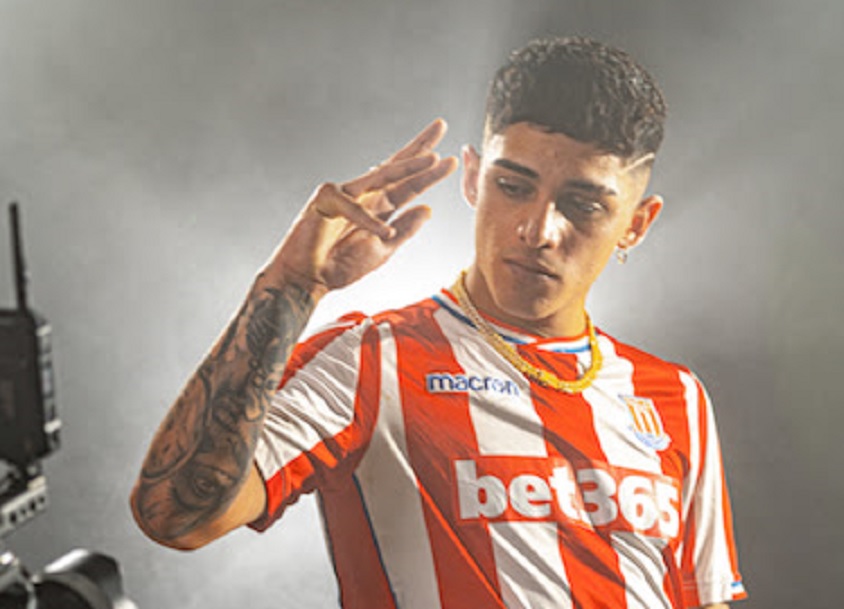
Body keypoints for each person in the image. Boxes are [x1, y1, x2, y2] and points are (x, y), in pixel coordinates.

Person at [131, 36, 747, 608]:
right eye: (514, 186)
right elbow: (175, 514)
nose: (538, 230)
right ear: (474, 179)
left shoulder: (677, 399)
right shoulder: (371, 361)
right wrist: (289, 286)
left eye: (582, 205)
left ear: (636, 224)